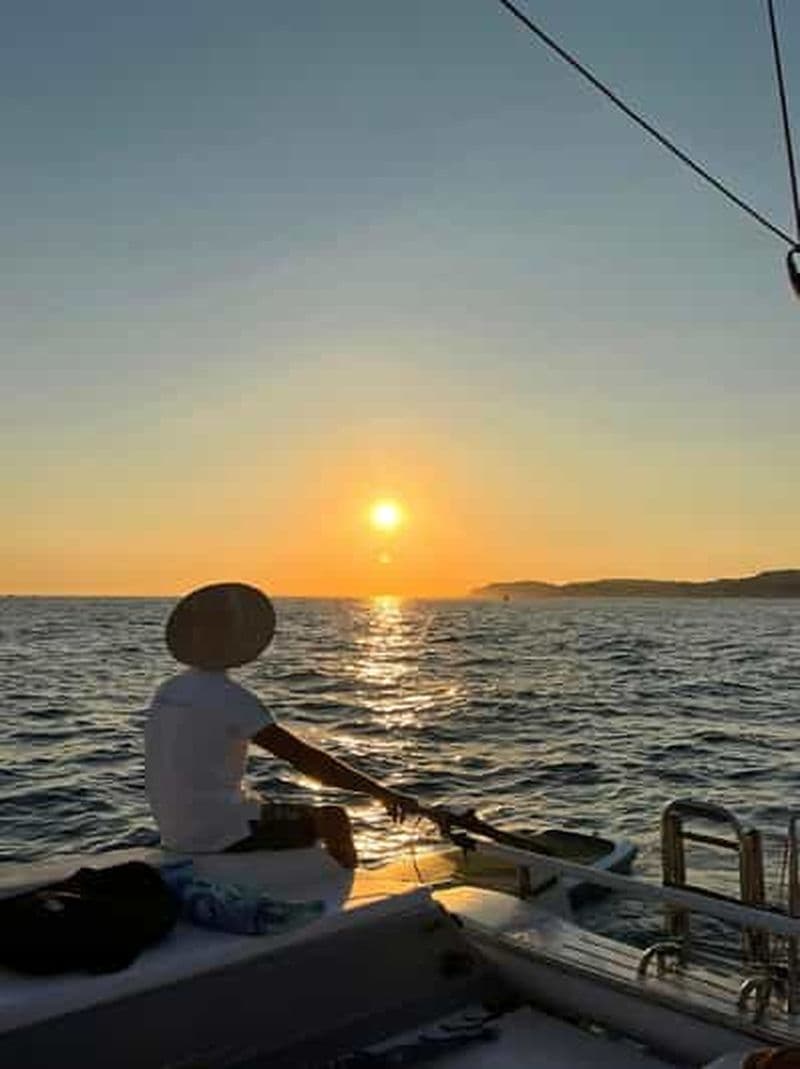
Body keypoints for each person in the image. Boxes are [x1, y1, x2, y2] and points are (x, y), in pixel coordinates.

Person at [144, 582, 418, 868]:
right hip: (218, 835)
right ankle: (350, 897)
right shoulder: (232, 697)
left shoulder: (168, 689)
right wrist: (385, 793)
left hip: (177, 835)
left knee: (264, 803)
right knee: (334, 819)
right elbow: (307, 761)